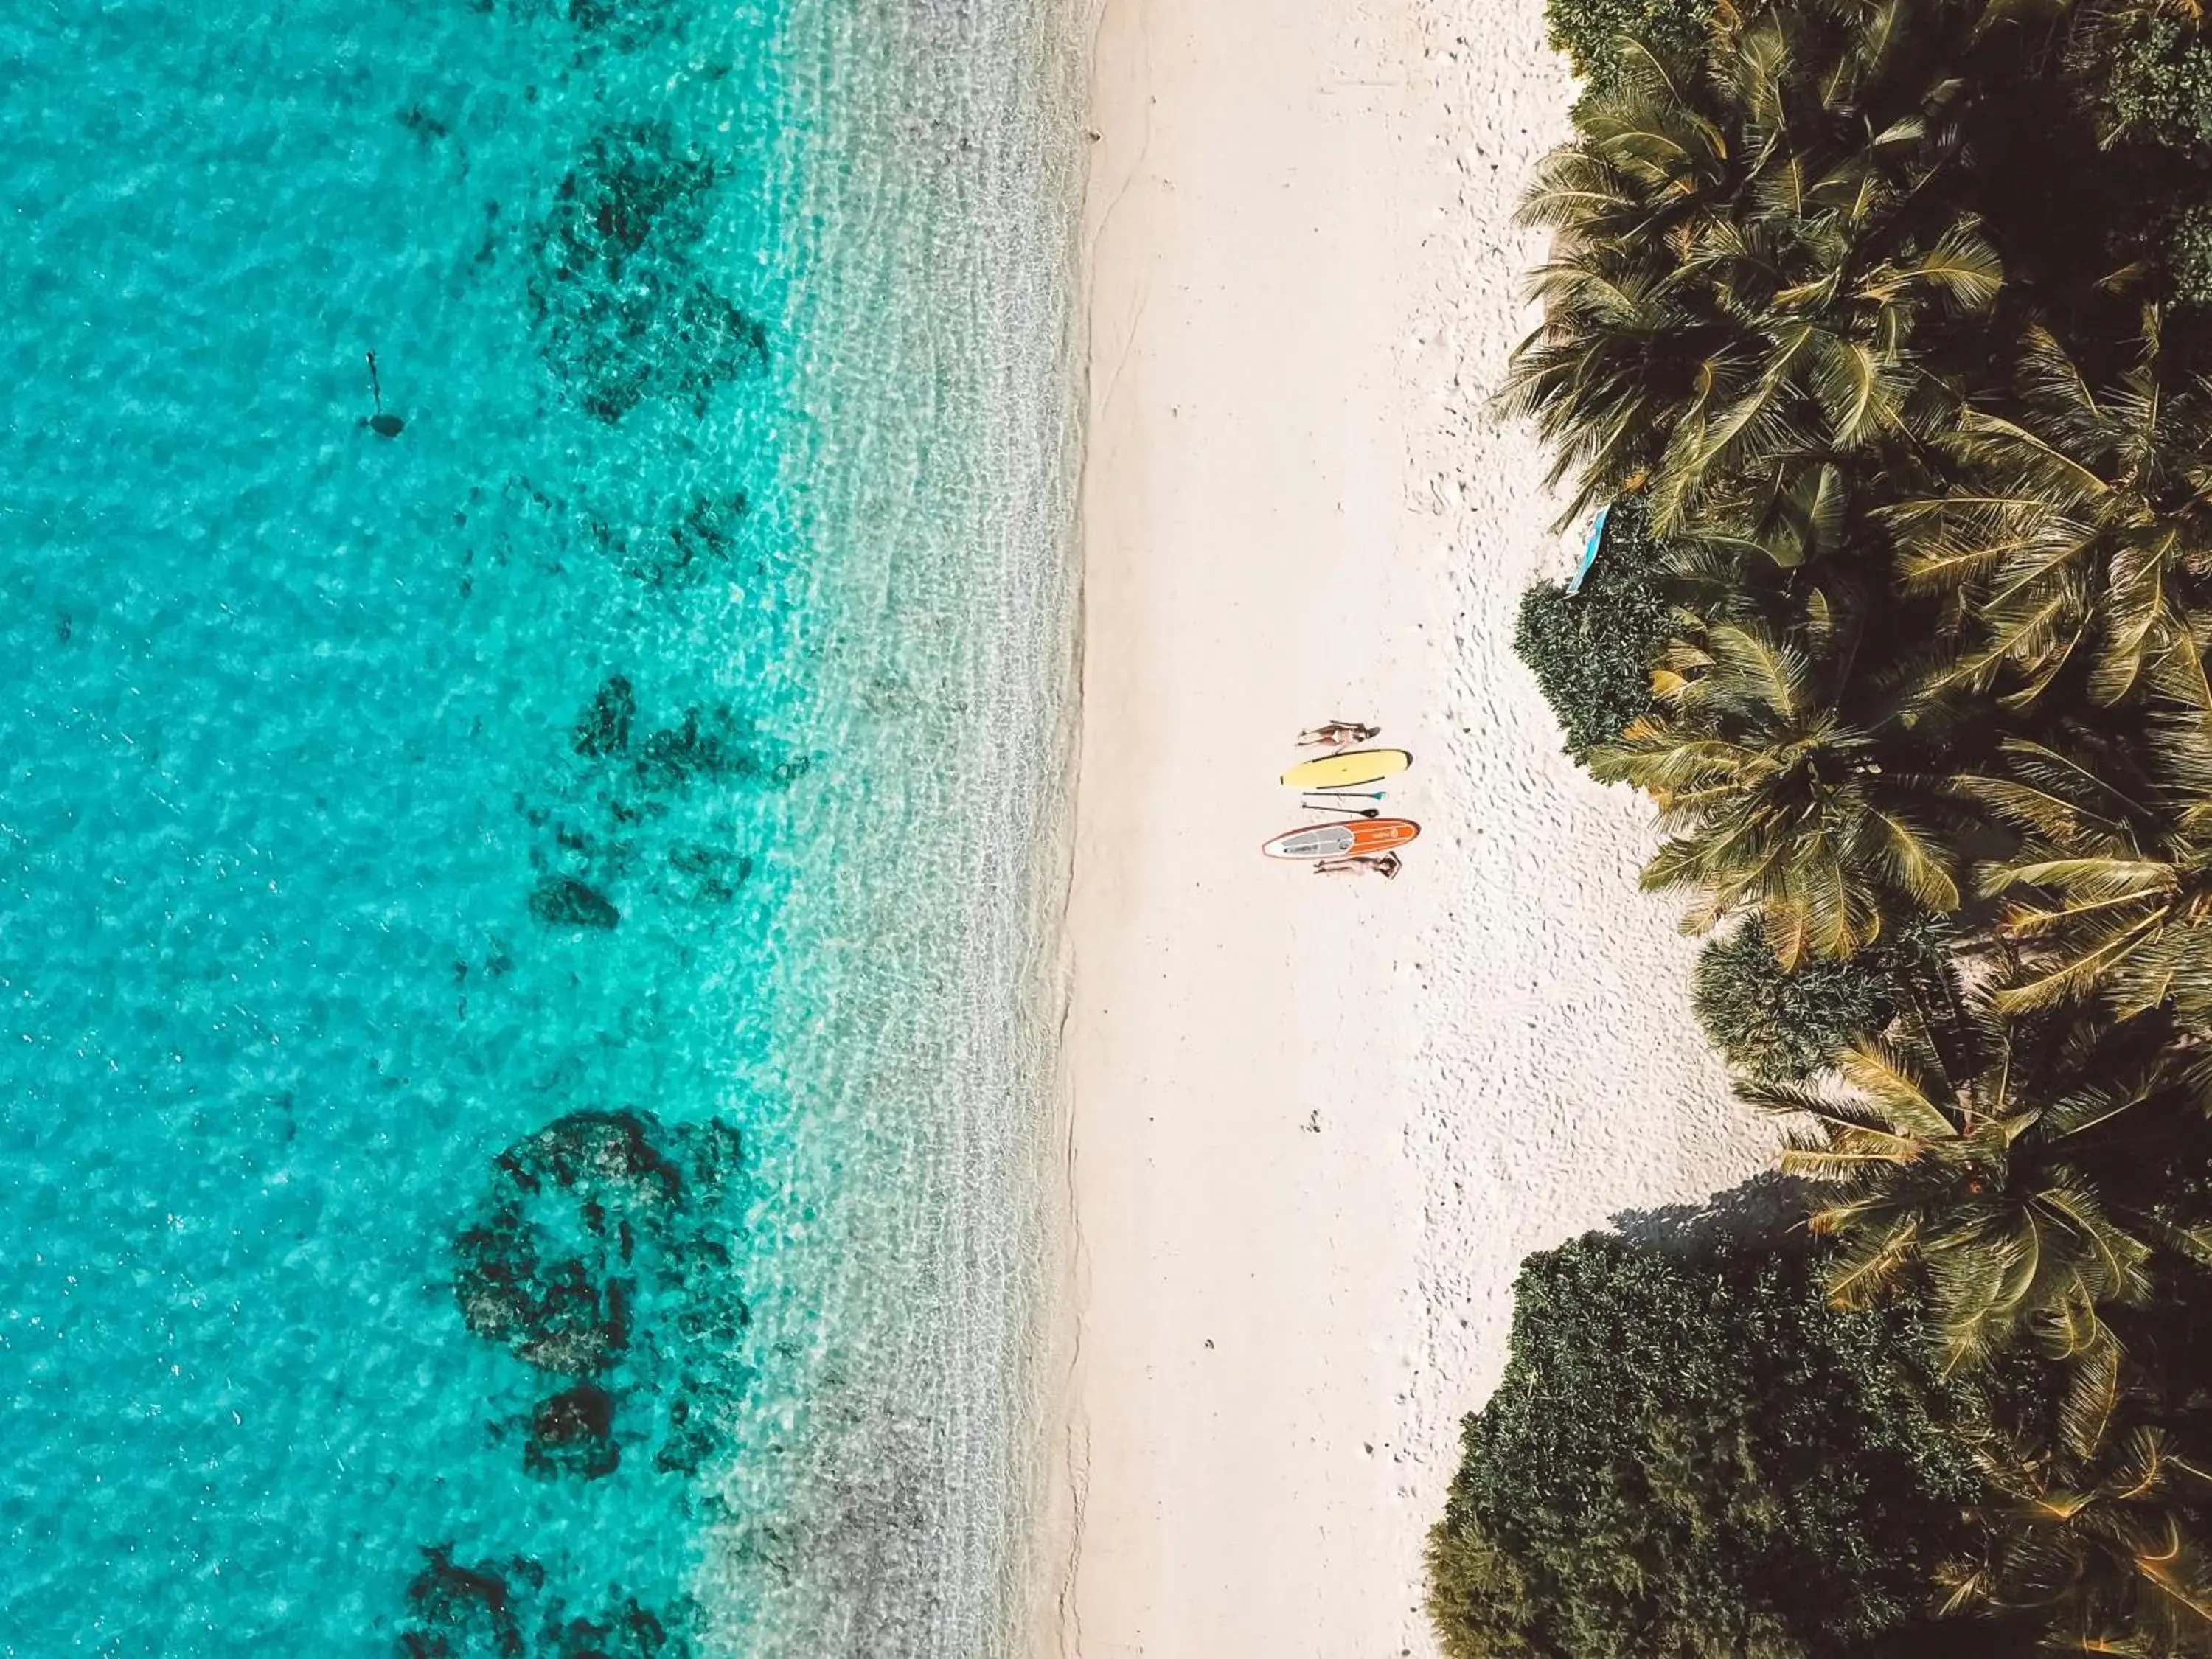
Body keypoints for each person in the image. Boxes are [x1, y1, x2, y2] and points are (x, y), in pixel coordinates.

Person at [1295, 720, 1380, 751]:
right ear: (1366, 731)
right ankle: (1302, 738)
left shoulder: (1357, 741)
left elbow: (1345, 745)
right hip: (1336, 732)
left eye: (1365, 736)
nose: (1362, 735)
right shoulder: (1358, 727)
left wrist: (1337, 751)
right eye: (1365, 733)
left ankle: (1300, 746)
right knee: (1319, 735)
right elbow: (1346, 725)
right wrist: (1336, 723)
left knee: (1319, 743)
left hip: (1336, 741)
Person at [1312, 851, 1401, 880]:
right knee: (1338, 863)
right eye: (1387, 864)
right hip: (1356, 863)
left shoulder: (1379, 872)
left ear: (1386, 869)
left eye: (1387, 867)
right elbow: (1390, 853)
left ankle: (1321, 872)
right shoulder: (1378, 860)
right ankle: (1322, 865)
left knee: (1338, 872)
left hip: (1358, 872)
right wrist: (1397, 861)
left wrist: (1397, 868)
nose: (1385, 865)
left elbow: (1390, 878)